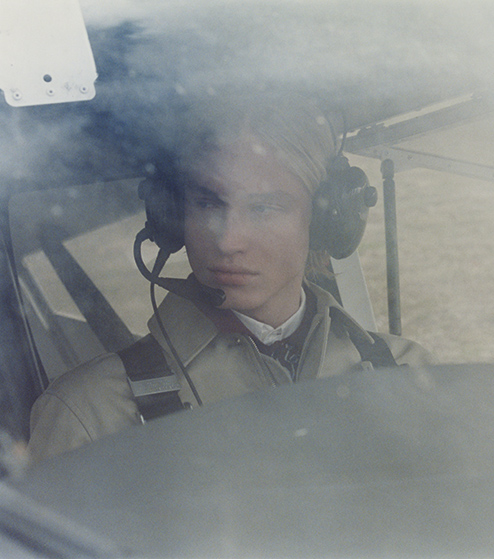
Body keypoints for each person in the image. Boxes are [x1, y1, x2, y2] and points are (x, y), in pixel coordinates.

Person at [26, 98, 432, 463]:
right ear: (173, 215)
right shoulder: (88, 416)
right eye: (208, 203)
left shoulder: (410, 375)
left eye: (265, 208)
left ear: (325, 220)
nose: (228, 240)